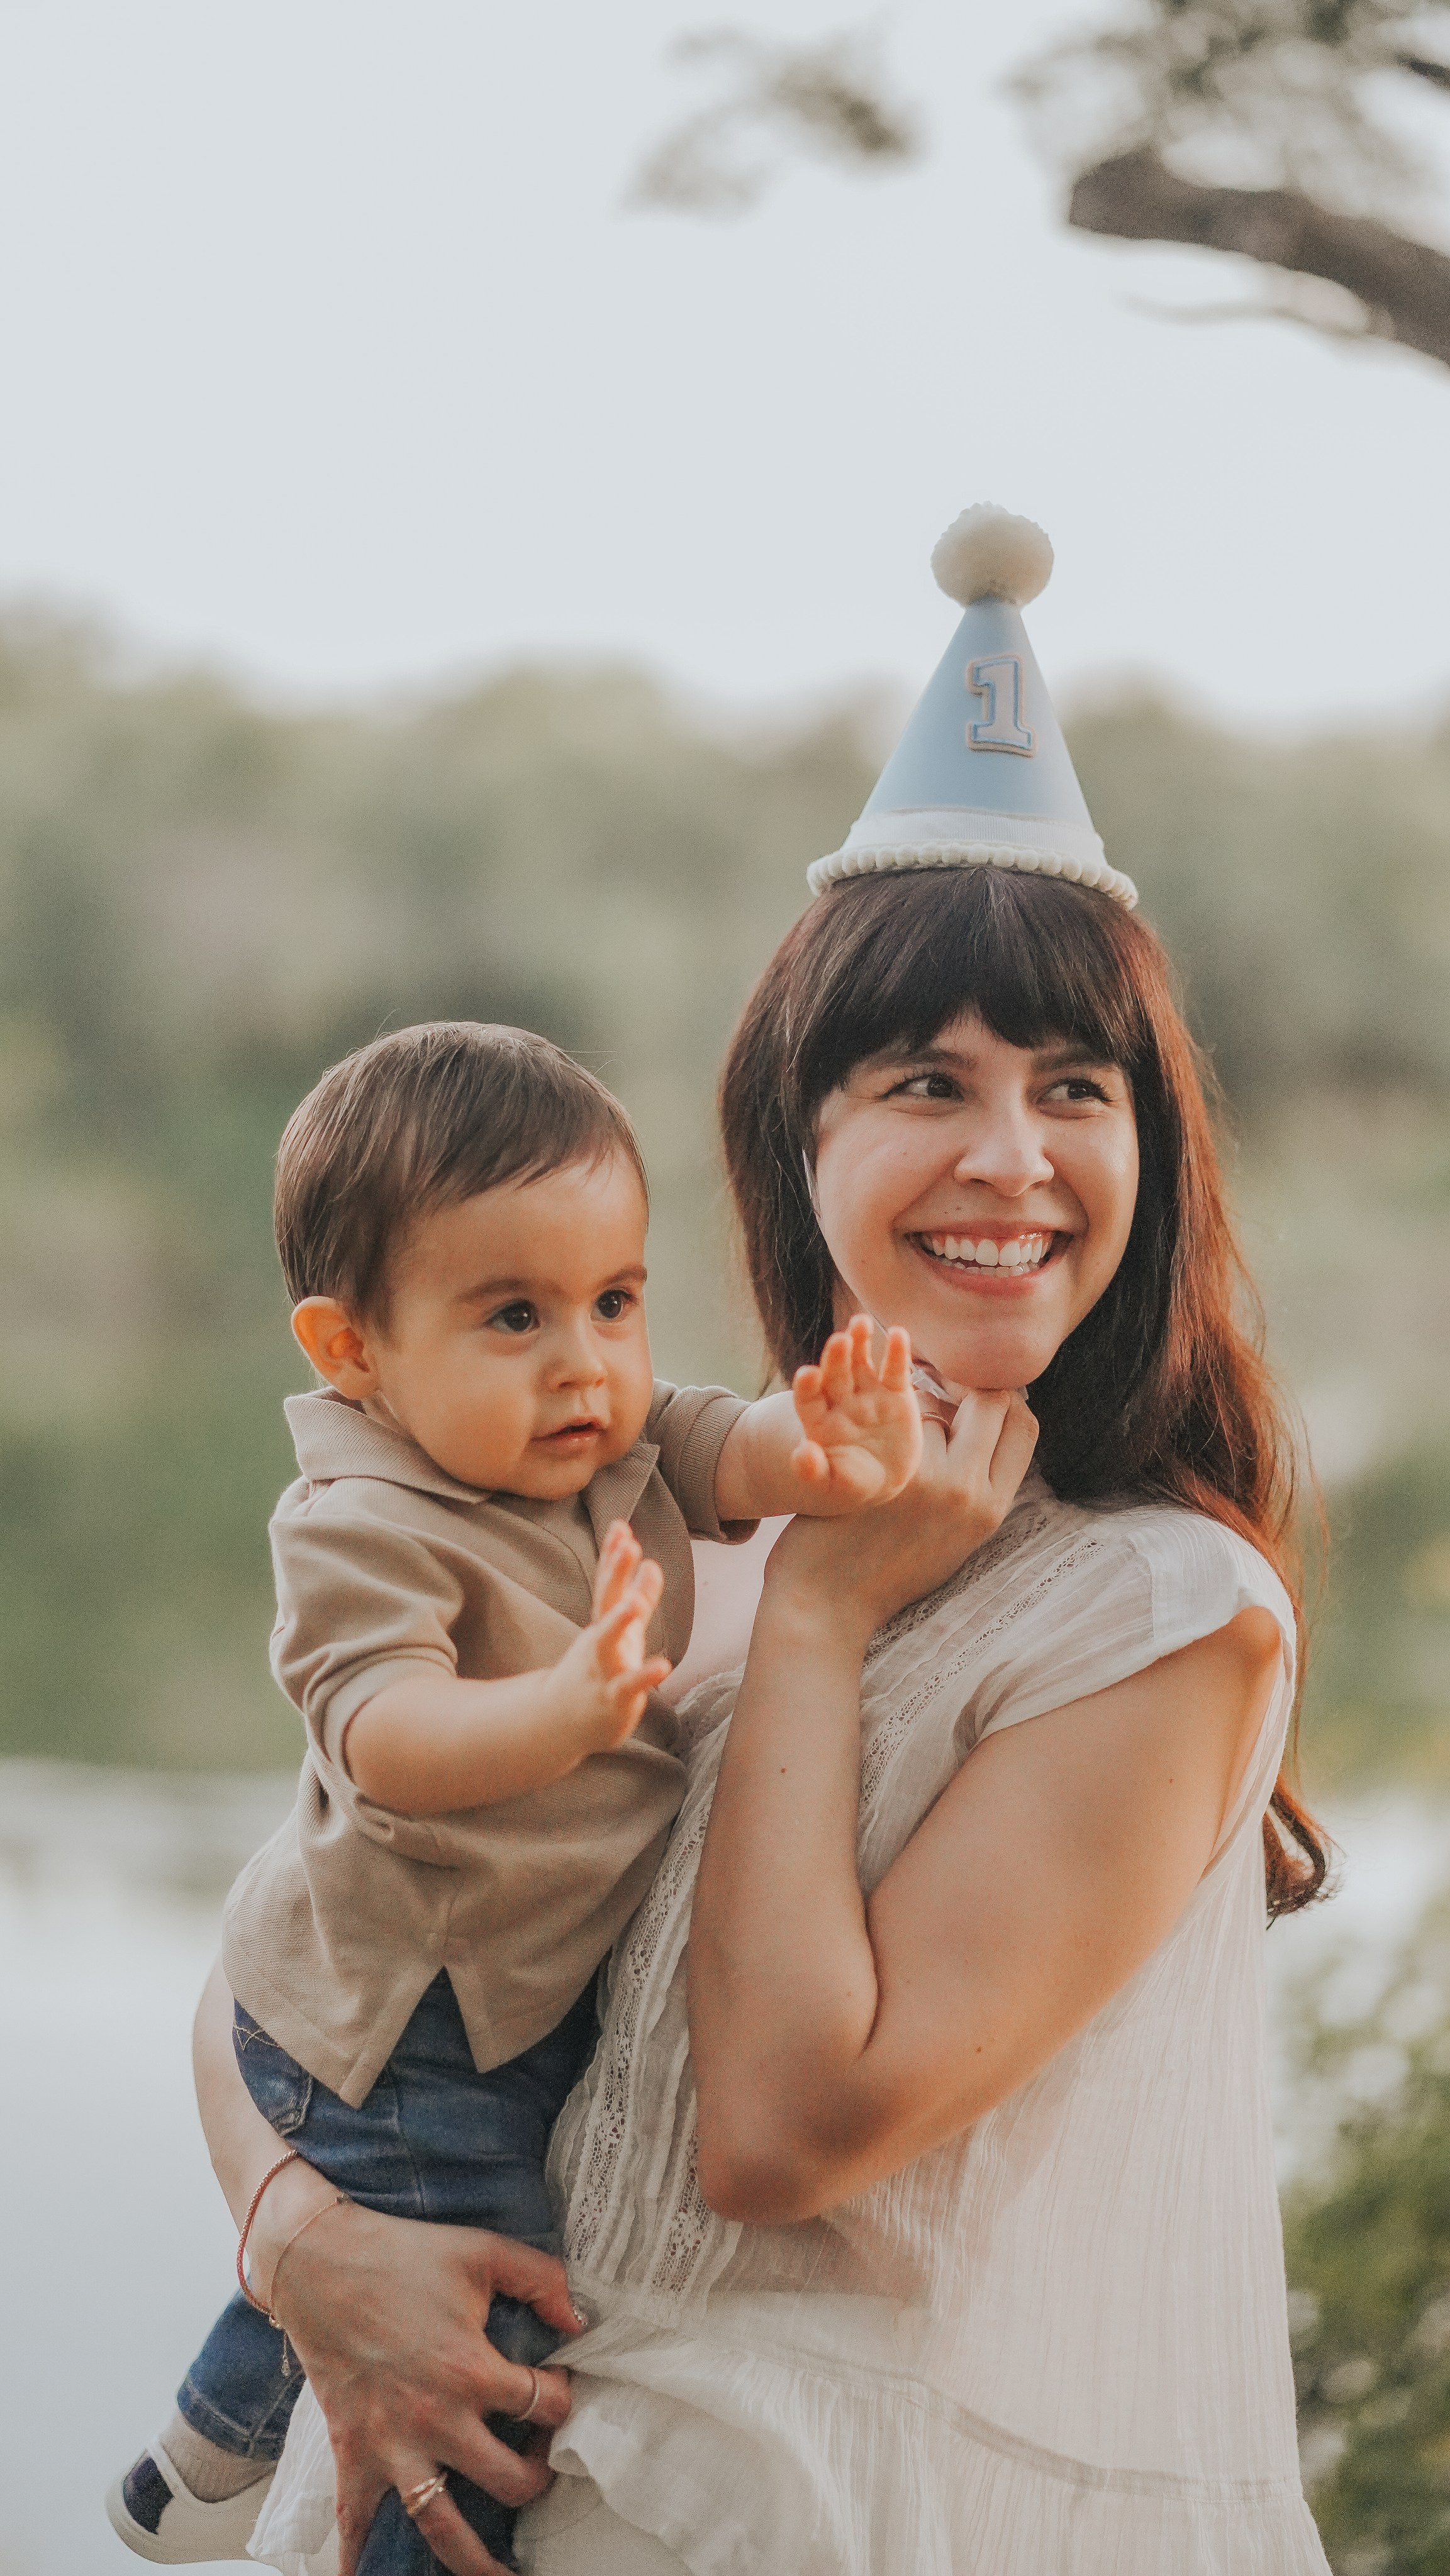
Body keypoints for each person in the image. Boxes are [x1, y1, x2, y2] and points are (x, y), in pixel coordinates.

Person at [201, 507, 1334, 2575]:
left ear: (1140, 1153)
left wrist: (818, 1611)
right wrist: (302, 2238)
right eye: (924, 1078)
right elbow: (311, 1912)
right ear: (797, 1145)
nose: (1009, 1155)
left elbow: (780, 2134)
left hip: (763, 2520)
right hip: (444, 2470)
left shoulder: (1166, 1612)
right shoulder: (641, 1506)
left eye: (1072, 1086)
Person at [107, 1021, 922, 2574]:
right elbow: (383, 1731)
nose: (587, 1362)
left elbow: (735, 1449)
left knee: (382, 2229)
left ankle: (192, 2462)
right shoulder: (362, 1516)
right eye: (511, 1314)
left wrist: (834, 1443)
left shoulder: (600, 1438)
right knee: (481, 2314)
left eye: (614, 1298)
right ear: (352, 1351)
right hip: (409, 2019)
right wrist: (562, 1705)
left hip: (495, 1987)